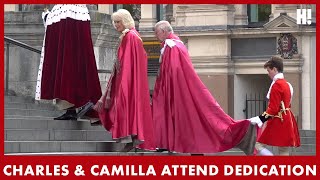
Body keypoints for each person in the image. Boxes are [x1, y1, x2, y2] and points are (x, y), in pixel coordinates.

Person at [152, 20, 257, 155]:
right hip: (180, 92)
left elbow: (173, 72)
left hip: (178, 93)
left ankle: (242, 132)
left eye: (156, 33)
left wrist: (167, 92)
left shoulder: (172, 46)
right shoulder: (175, 45)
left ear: (164, 31)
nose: (155, 36)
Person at [93, 9, 156, 152]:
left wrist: (124, 83)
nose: (116, 25)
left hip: (127, 80)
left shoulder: (130, 36)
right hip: (127, 79)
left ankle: (132, 139)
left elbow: (127, 63)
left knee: (126, 107)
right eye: (114, 22)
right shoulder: (130, 35)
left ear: (125, 21)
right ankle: (132, 139)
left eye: (118, 22)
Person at [35, 4, 101, 122]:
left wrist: (47, 16)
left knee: (66, 62)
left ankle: (75, 106)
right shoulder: (79, 10)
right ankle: (79, 105)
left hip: (65, 14)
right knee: (74, 62)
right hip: (76, 15)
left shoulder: (63, 10)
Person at [250, 56, 300, 155]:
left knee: (258, 145)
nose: (268, 74)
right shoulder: (287, 84)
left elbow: (273, 109)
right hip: (288, 119)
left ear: (275, 69)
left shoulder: (276, 85)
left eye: (269, 71)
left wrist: (260, 118)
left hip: (278, 119)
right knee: (283, 150)